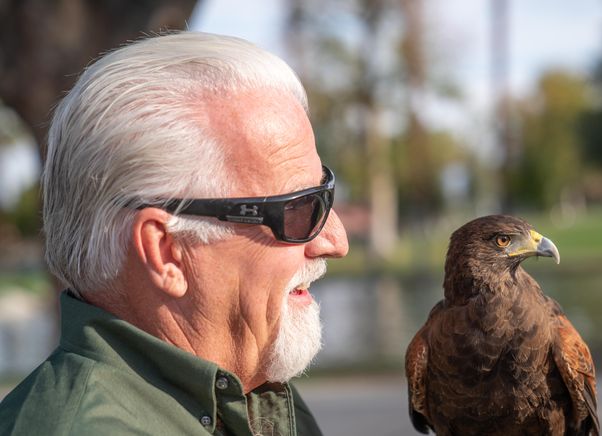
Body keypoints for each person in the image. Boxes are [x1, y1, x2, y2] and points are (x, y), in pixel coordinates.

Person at [0, 31, 349, 435]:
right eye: (299, 210)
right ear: (166, 252)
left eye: (325, 191)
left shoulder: (249, 395)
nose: (335, 240)